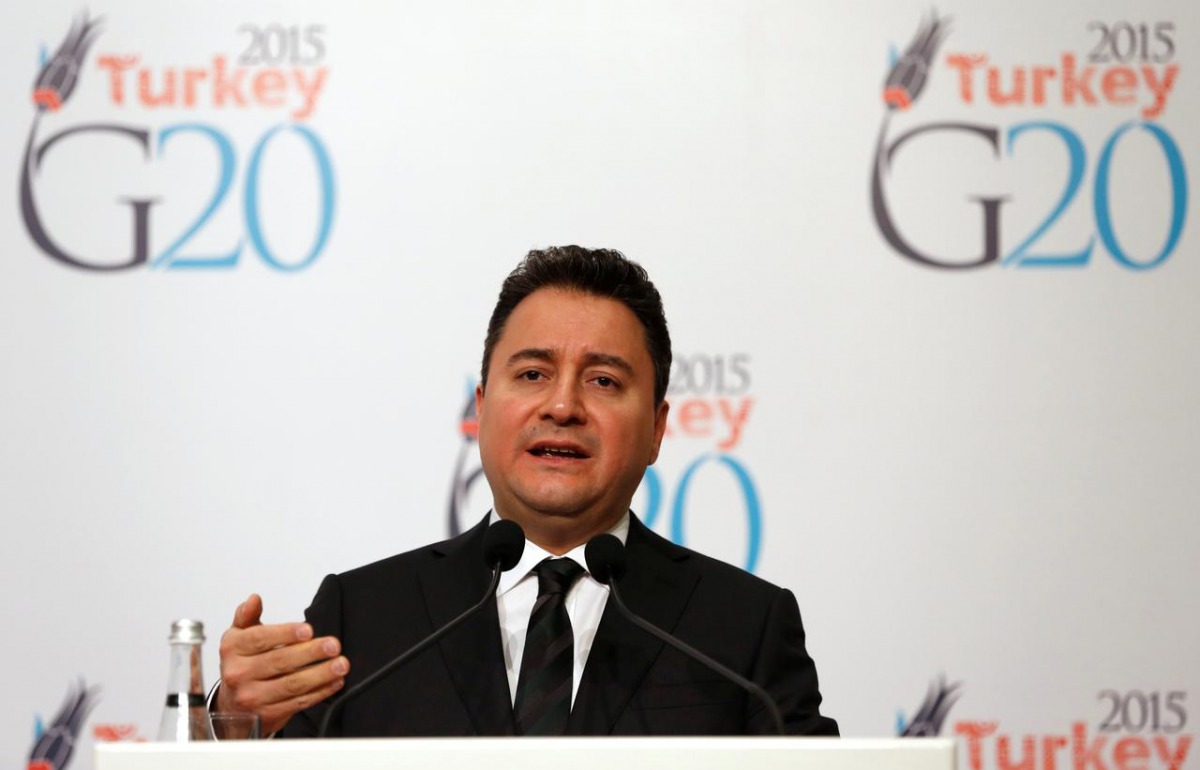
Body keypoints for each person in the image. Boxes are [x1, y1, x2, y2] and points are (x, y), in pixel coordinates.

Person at [216, 246, 838, 737]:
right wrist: (234, 726)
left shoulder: (742, 631)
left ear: (656, 430)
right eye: (534, 373)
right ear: (482, 407)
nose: (562, 406)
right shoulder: (364, 618)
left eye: (603, 380)